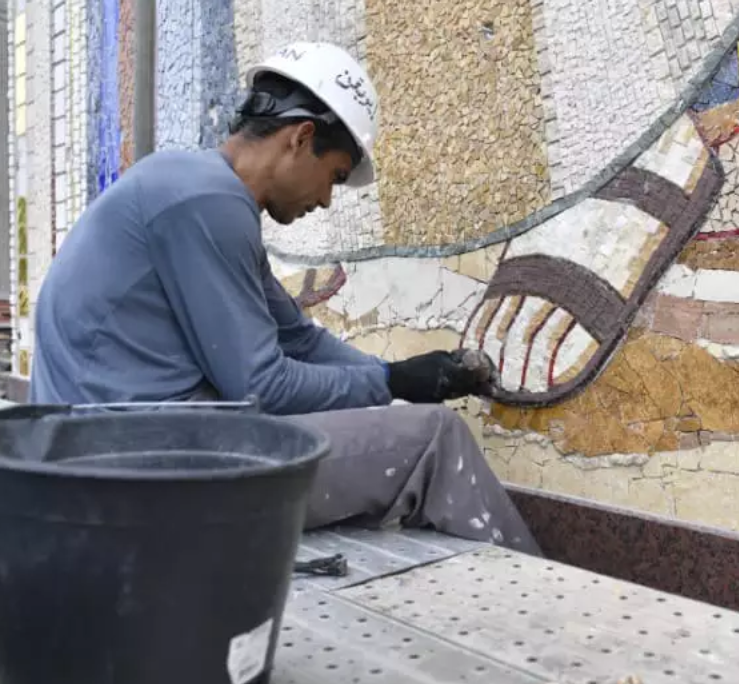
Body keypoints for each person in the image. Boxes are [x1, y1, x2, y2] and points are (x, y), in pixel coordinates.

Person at [29, 42, 539, 555]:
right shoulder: (209, 203)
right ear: (301, 137)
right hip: (142, 483)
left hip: (110, 461)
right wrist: (390, 383)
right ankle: (535, 608)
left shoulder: (190, 185)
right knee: (435, 438)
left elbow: (298, 338)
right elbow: (263, 385)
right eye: (335, 177)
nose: (324, 200)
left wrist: (401, 375)